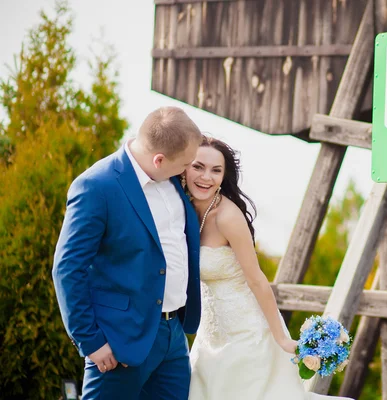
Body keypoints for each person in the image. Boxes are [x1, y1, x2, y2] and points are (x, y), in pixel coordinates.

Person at [184, 136, 353, 400]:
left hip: (246, 332)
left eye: (216, 170)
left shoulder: (228, 217)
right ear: (184, 166)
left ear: (224, 175)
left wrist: (281, 339)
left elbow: (257, 280)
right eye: (198, 167)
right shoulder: (184, 208)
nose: (206, 177)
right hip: (211, 332)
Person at [52, 106, 203, 399]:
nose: (188, 170)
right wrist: (91, 341)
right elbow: (67, 269)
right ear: (159, 160)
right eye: (185, 163)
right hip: (121, 339)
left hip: (173, 337)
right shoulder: (97, 186)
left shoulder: (171, 179)